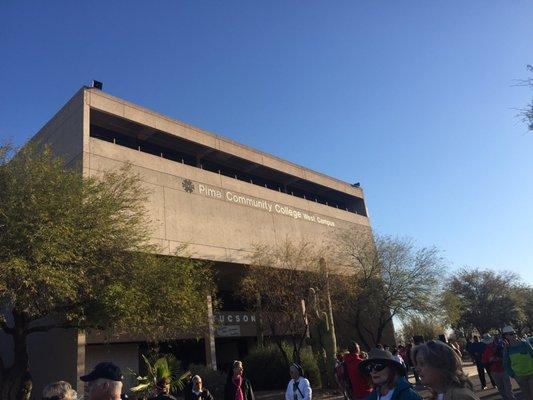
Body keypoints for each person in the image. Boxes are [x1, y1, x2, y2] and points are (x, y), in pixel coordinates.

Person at [412, 340, 478, 400]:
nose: (417, 369)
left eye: (422, 364)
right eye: (416, 364)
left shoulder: (460, 397)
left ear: (440, 364)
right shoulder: (438, 395)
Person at [502, 325, 533, 400]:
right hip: (520, 376)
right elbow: (506, 363)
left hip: (531, 373)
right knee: (527, 396)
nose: (514, 335)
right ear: (506, 336)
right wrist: (513, 375)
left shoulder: (524, 344)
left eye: (514, 333)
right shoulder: (507, 349)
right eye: (511, 334)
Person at [482, 335, 515, 400]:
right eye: (488, 342)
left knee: (508, 387)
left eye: (490, 342)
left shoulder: (500, 346)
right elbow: (484, 361)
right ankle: (505, 398)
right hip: (494, 371)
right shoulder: (486, 350)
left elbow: (507, 356)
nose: (489, 343)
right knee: (500, 388)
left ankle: (511, 398)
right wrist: (490, 360)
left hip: (504, 369)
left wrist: (499, 359)